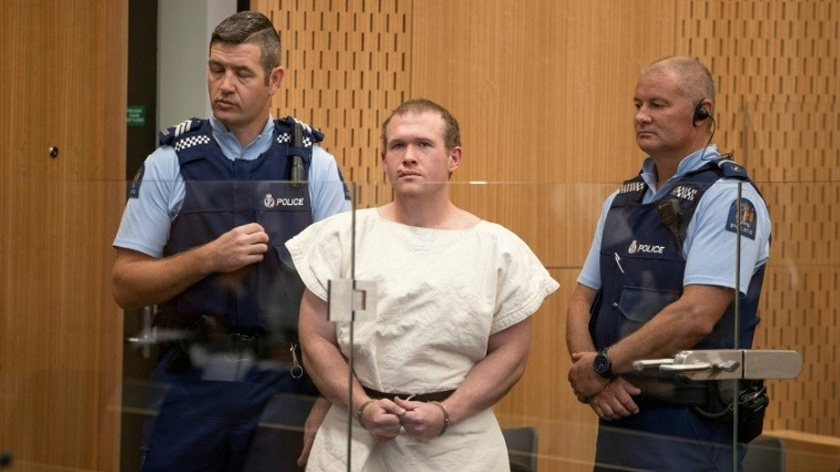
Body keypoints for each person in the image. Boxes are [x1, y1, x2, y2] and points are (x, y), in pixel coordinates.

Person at [111, 11, 350, 472]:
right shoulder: (168, 163)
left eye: (242, 73)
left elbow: (348, 290)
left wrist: (332, 395)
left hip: (285, 380)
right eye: (216, 69)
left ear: (274, 78)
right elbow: (125, 284)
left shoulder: (313, 166)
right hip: (192, 379)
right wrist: (208, 258)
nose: (224, 85)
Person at [285, 98, 559, 471]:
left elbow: (510, 354)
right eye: (398, 146)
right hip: (356, 435)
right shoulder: (347, 239)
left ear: (454, 158)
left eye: (424, 145)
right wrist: (362, 406)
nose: (408, 156)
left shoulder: (497, 249)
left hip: (458, 445)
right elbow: (318, 338)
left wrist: (446, 412)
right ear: (384, 160)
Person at [565, 56, 772, 471]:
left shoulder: (728, 197)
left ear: (702, 112)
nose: (641, 116)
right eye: (637, 104)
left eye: (657, 105)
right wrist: (594, 379)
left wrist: (602, 365)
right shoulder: (621, 200)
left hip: (692, 424)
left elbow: (696, 315)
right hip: (618, 411)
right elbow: (581, 301)